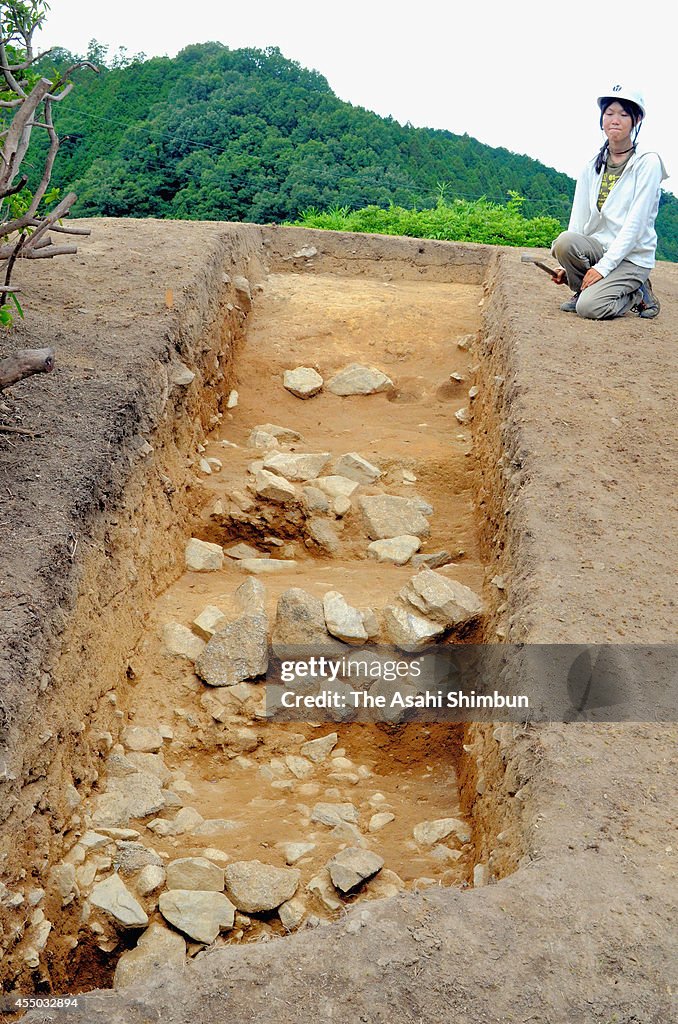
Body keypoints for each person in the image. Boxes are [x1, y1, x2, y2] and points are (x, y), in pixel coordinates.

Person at [551, 84, 667, 319]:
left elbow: (635, 225)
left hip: (631, 256)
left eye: (624, 114)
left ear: (637, 119)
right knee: (563, 242)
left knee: (589, 308)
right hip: (600, 248)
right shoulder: (593, 164)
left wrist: (602, 269)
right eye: (609, 113)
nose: (615, 120)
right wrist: (567, 267)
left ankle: (636, 292)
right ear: (602, 118)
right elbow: (578, 217)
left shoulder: (648, 163)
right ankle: (584, 289)